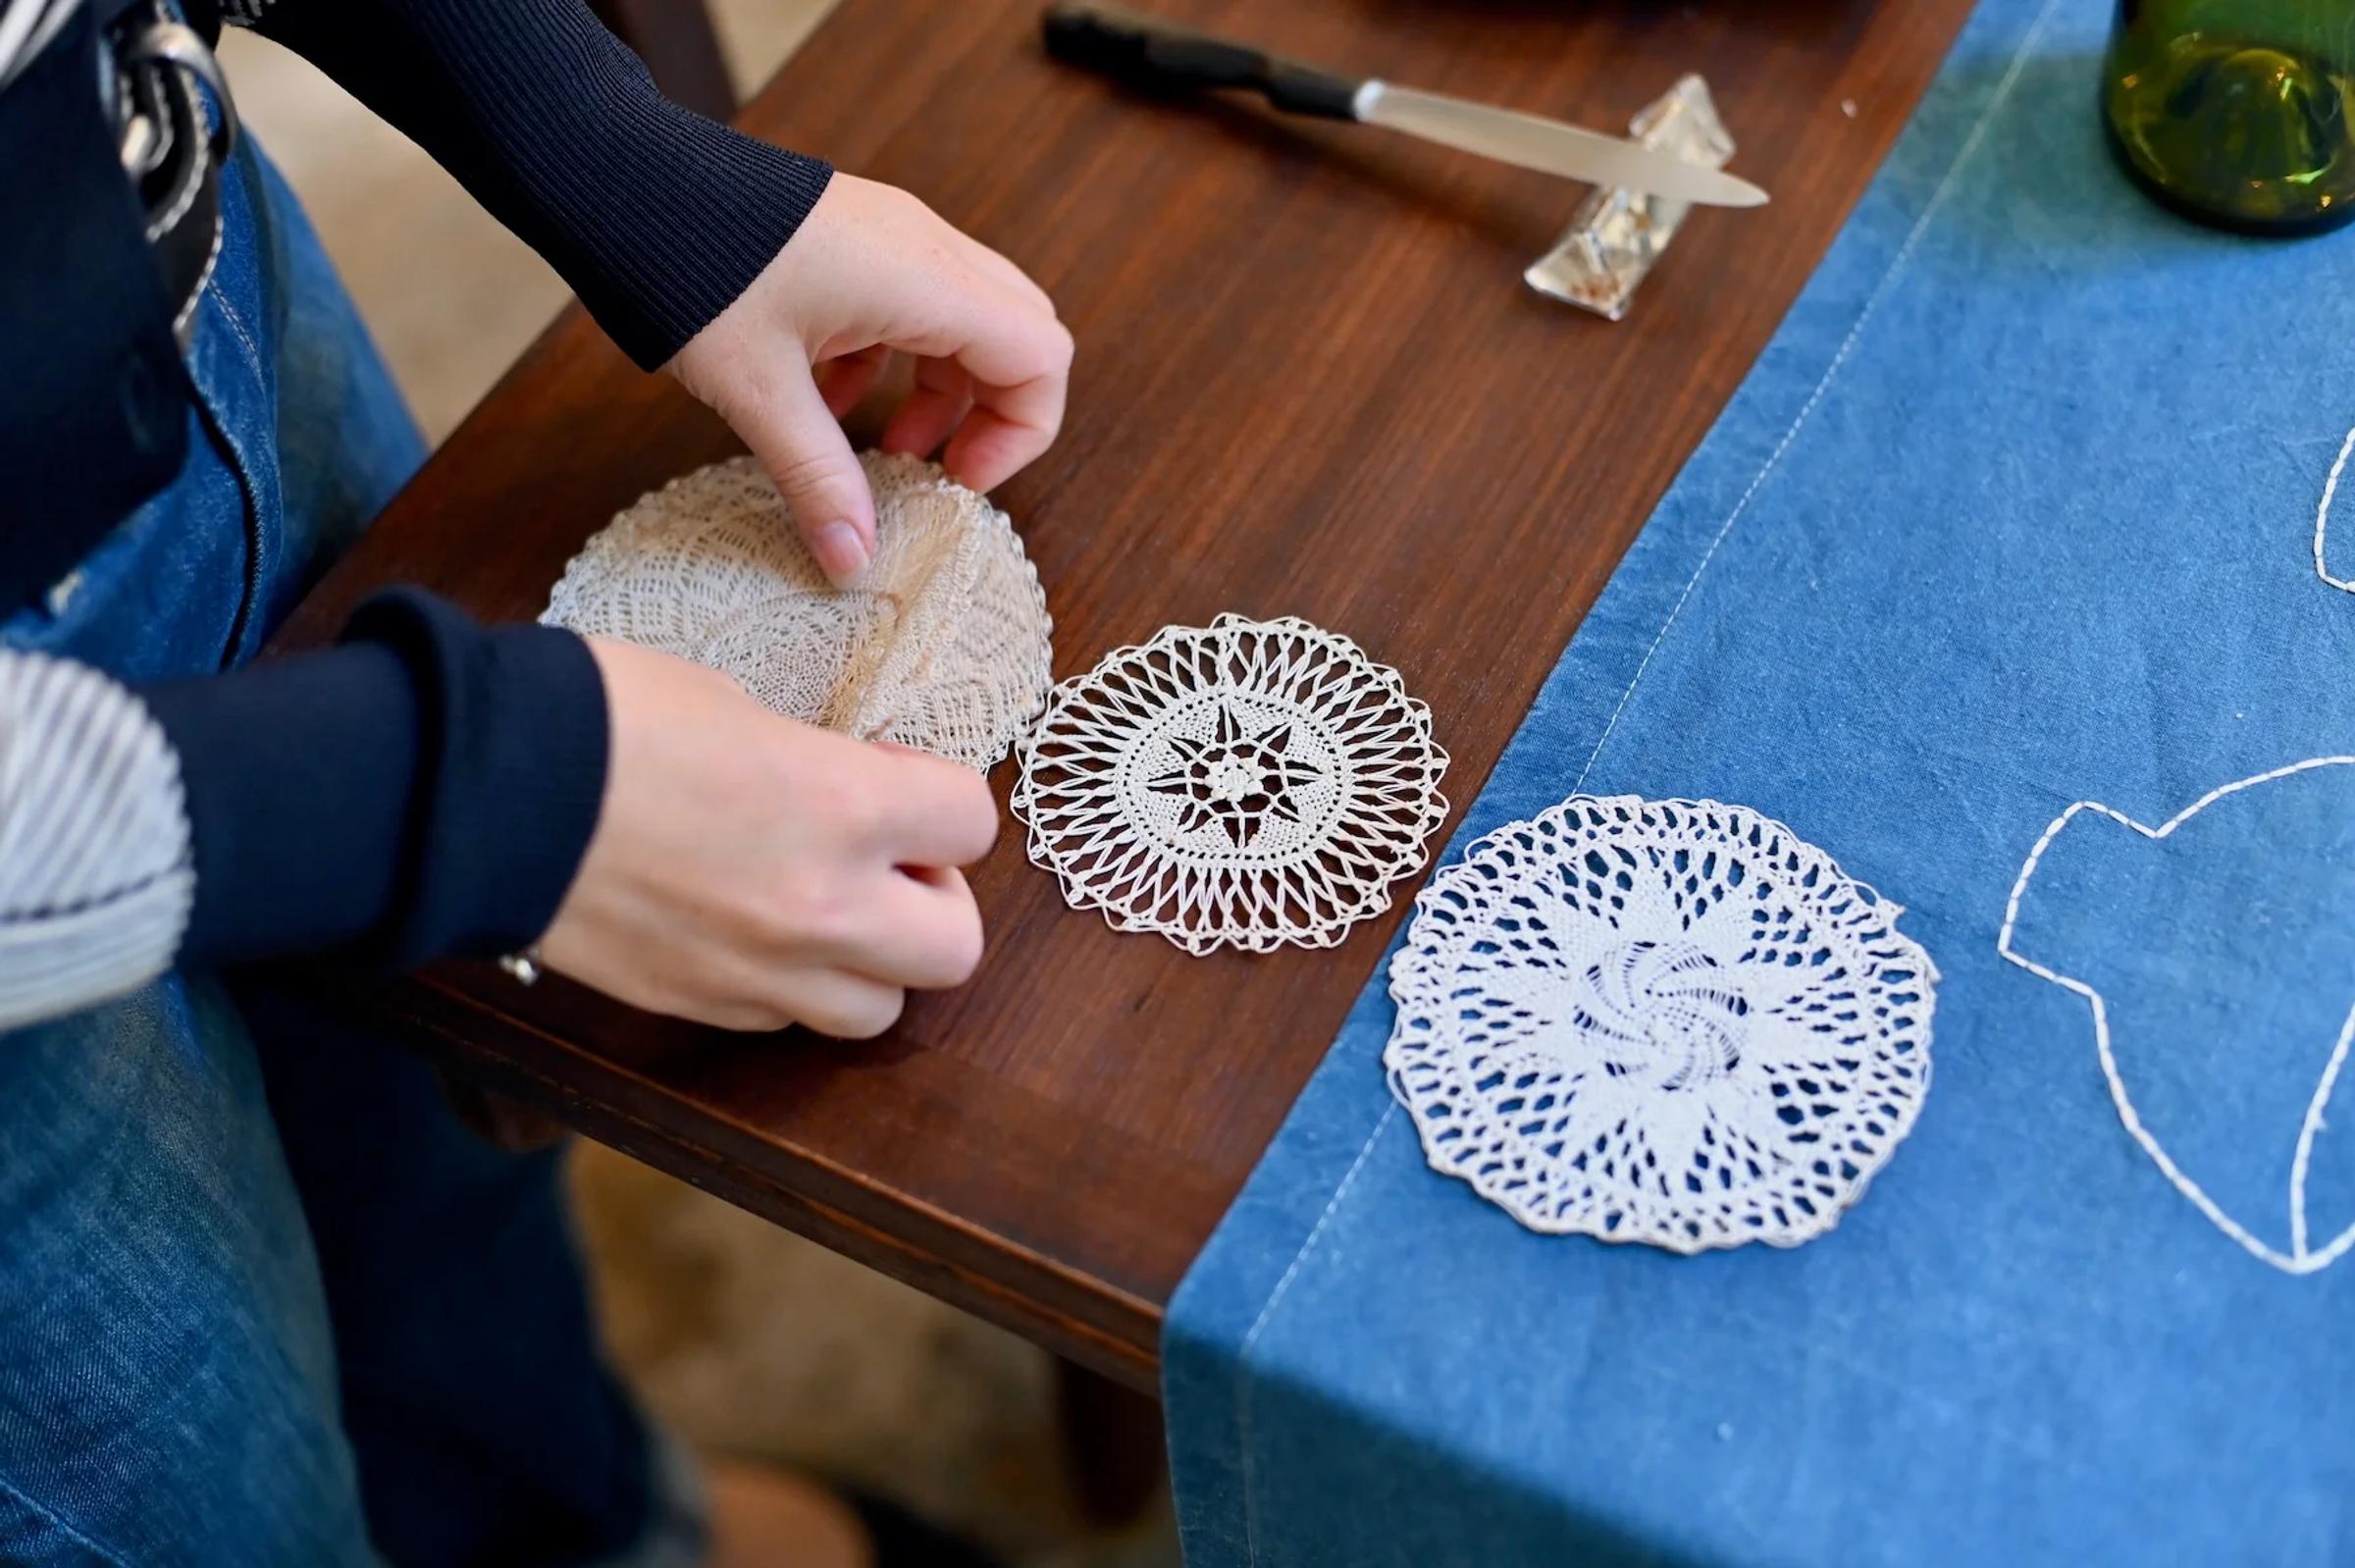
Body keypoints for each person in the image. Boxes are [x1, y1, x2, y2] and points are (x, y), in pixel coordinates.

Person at [0, 0, 1072, 1561]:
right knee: (207, 1471)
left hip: (185, 246)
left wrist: (602, 145)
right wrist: (457, 786)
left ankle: (582, 1527)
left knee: (434, 1144)